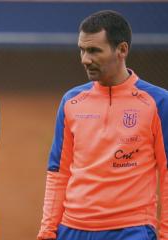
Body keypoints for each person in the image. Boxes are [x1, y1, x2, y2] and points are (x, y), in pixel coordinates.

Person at [37, 10, 168, 240]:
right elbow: (59, 172)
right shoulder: (71, 101)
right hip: (72, 228)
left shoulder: (158, 102)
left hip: (131, 229)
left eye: (94, 50)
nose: (85, 59)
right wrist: (48, 230)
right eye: (82, 49)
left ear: (122, 50)